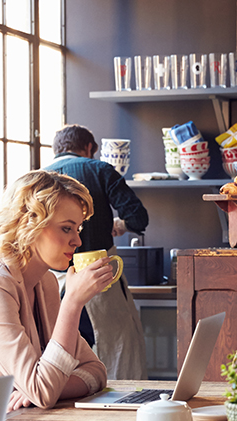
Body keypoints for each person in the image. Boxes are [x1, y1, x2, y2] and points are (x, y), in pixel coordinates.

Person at [0, 170, 111, 410]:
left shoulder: (45, 283)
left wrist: (47, 388)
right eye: (66, 228)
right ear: (30, 224)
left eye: (78, 229)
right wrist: (72, 302)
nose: (78, 242)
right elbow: (42, 392)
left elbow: (96, 371)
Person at [44, 124, 149, 380]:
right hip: (102, 279)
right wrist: (119, 225)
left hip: (54, 284)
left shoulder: (39, 178)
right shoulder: (100, 170)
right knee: (118, 349)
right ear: (90, 148)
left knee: (62, 355)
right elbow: (138, 218)